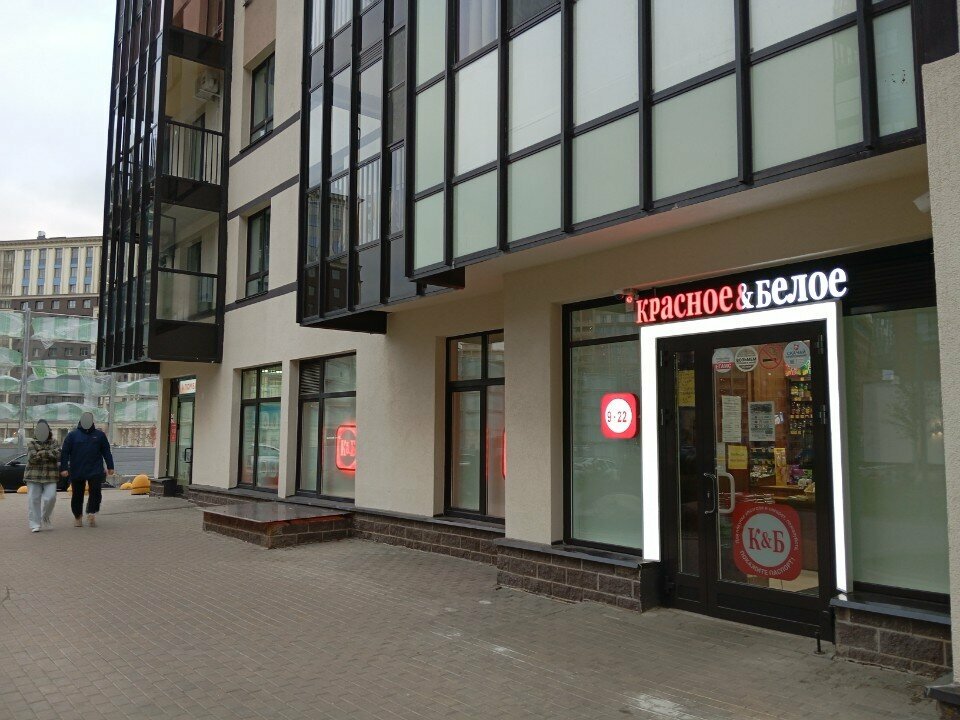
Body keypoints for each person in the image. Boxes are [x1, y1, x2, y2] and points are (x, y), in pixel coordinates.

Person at [59, 412, 115, 528]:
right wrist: (64, 468)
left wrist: (110, 466)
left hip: (95, 469)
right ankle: (78, 517)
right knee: (77, 495)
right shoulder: (72, 435)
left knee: (96, 492)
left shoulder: (99, 435)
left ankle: (91, 512)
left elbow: (106, 451)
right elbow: (65, 452)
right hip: (77, 469)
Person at [24, 419, 60, 533]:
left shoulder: (54, 442)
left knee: (51, 497)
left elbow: (58, 455)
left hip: (51, 475)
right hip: (33, 475)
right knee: (33, 499)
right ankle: (35, 524)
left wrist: (41, 452)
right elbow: (32, 458)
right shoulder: (31, 443)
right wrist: (48, 453)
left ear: (48, 430)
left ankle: (45, 517)